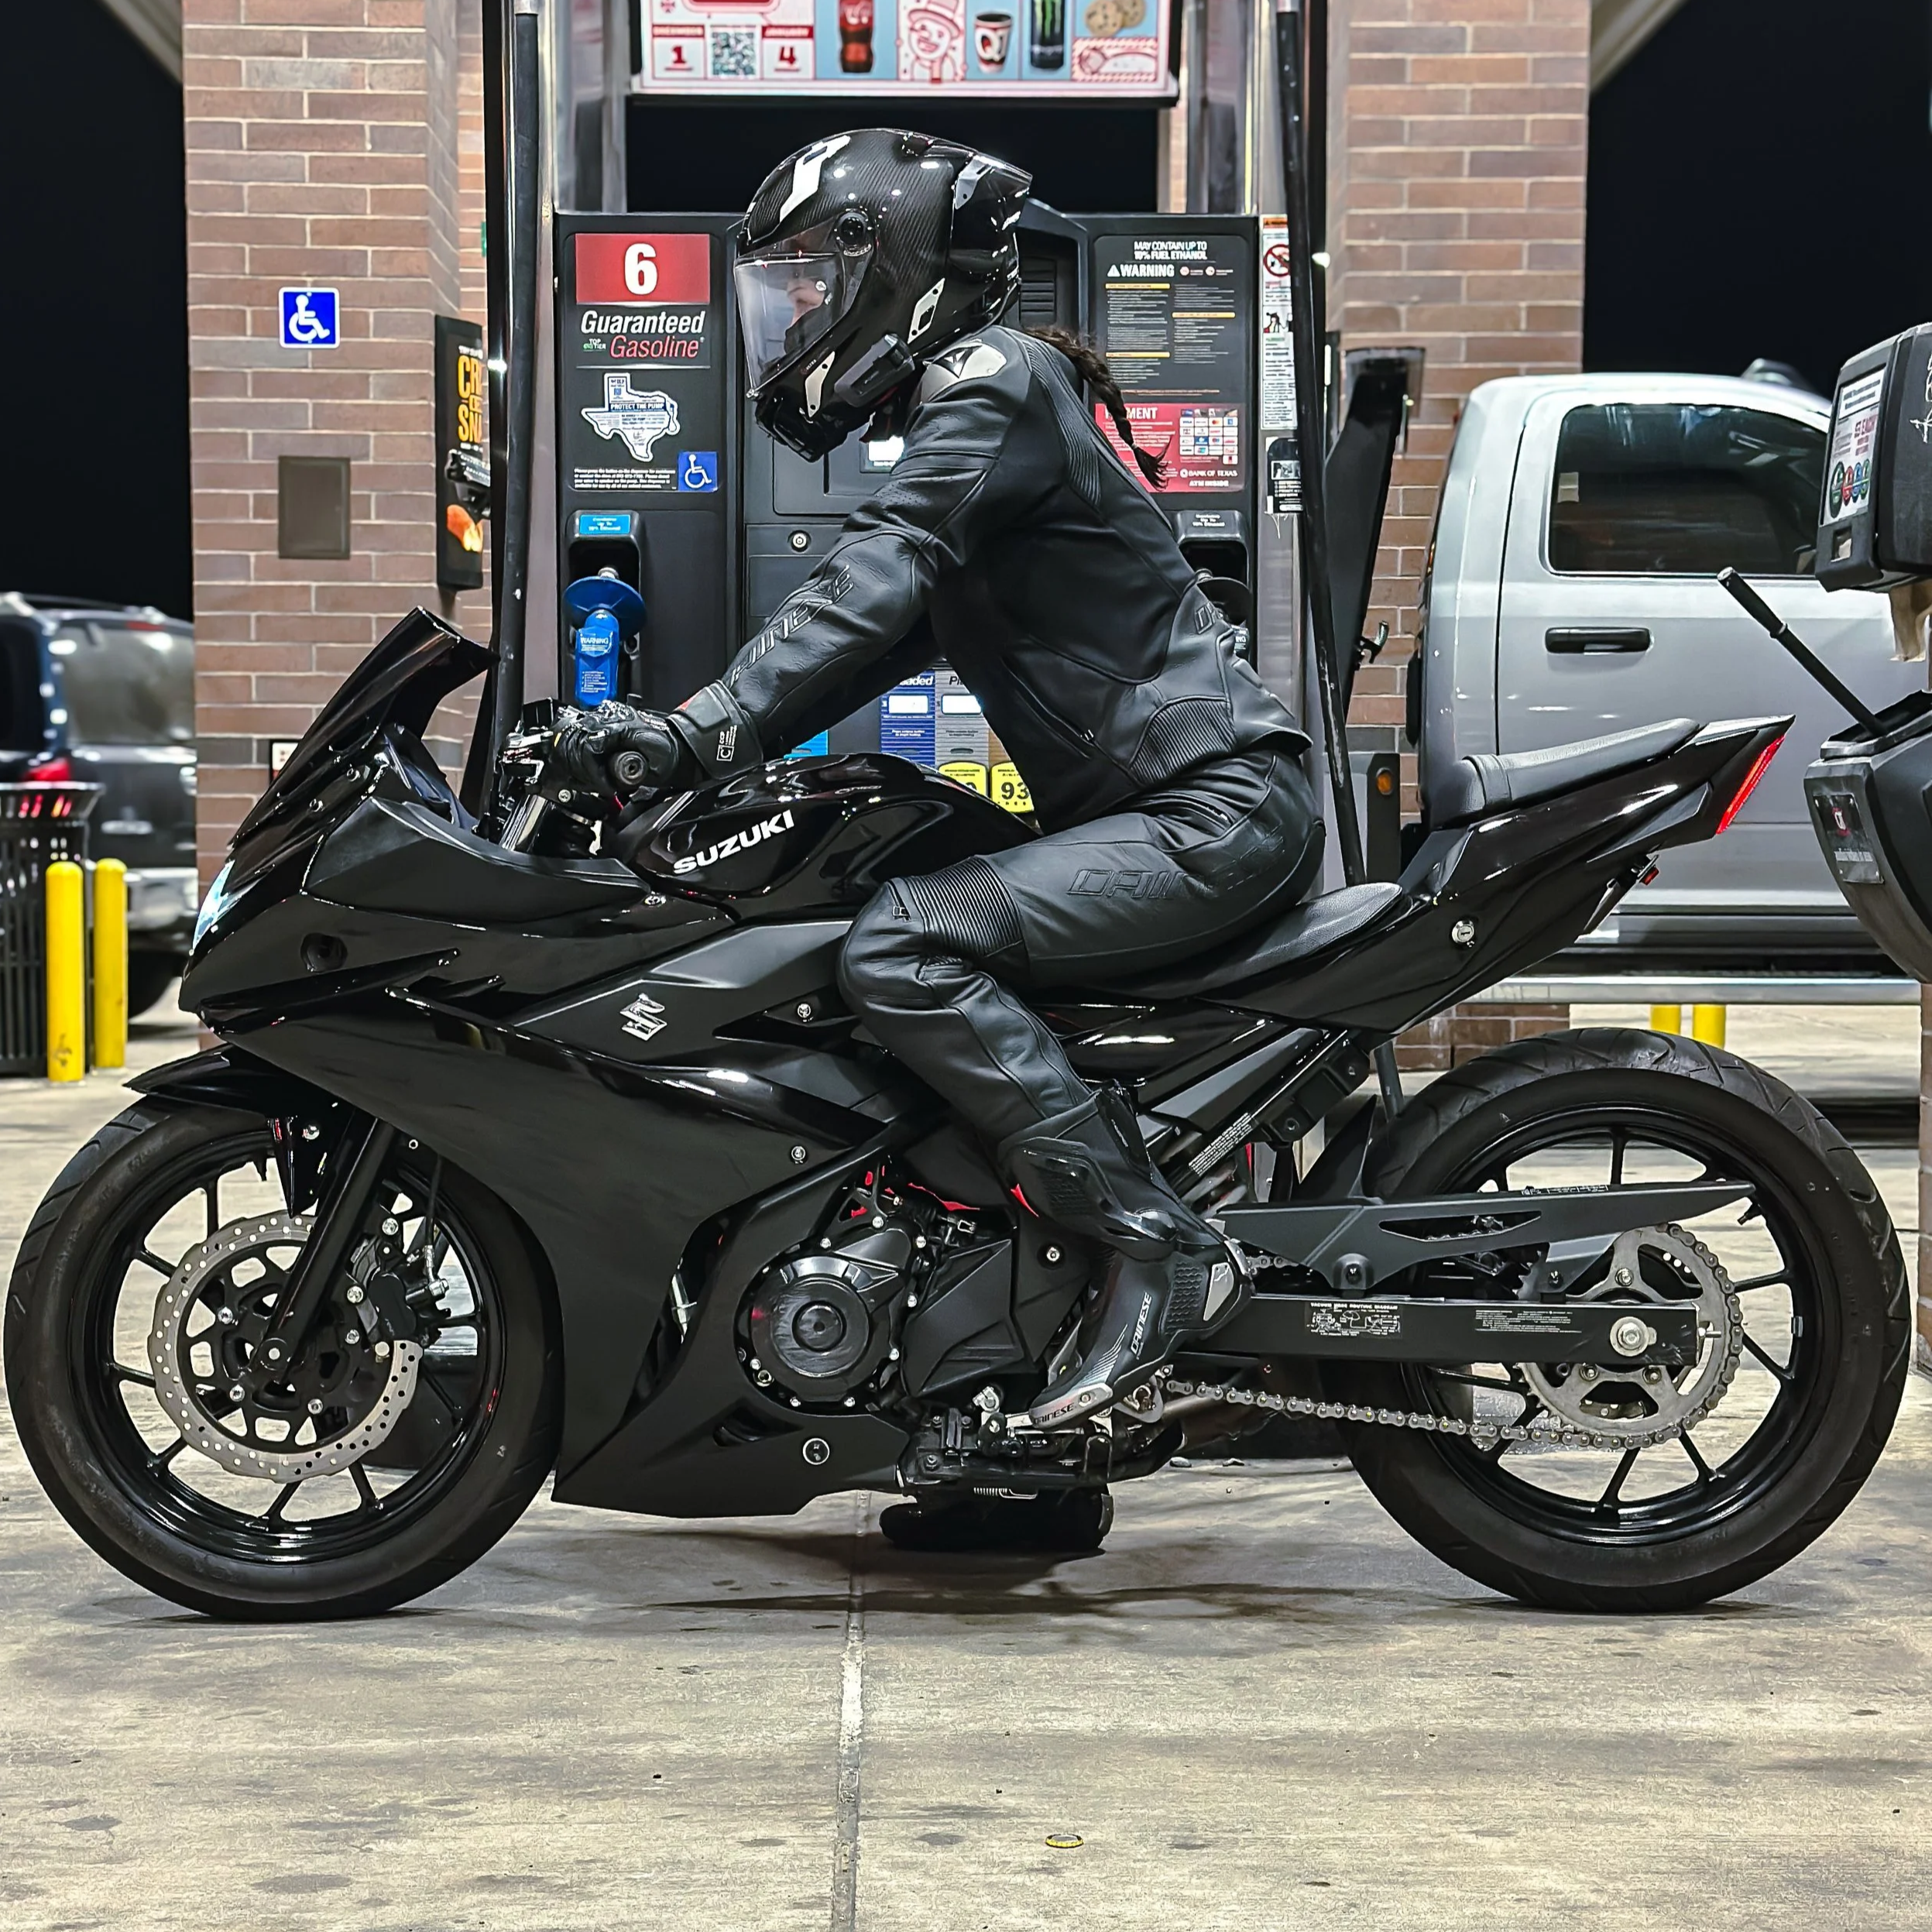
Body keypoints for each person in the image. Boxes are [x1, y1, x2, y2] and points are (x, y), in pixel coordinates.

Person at [556, 129, 1321, 1480]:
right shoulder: (998, 410)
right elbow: (877, 632)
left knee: (901, 942)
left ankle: (1154, 1243)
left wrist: (687, 735)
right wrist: (702, 750)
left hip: (1208, 813)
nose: (789, 315)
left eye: (804, 280)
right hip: (1167, 809)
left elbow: (881, 573)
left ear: (887, 259)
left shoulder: (995, 379)